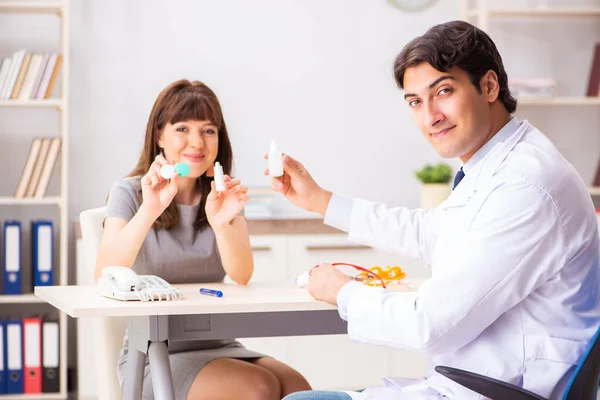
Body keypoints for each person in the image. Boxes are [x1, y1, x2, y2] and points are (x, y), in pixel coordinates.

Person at [276, 20, 600, 400]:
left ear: (489, 86)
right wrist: (321, 201)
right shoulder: (497, 165)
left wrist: (345, 293)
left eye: (443, 91)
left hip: (505, 390)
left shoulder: (526, 185)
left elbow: (430, 325)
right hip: (479, 380)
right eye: (415, 102)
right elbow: (432, 232)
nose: (430, 116)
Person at [95, 79, 311, 400]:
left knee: (297, 388)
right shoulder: (129, 192)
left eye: (208, 131)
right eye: (182, 129)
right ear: (159, 135)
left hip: (220, 344)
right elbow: (103, 274)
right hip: (156, 354)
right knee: (258, 388)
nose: (196, 143)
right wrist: (151, 209)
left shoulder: (221, 195)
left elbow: (241, 275)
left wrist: (222, 223)